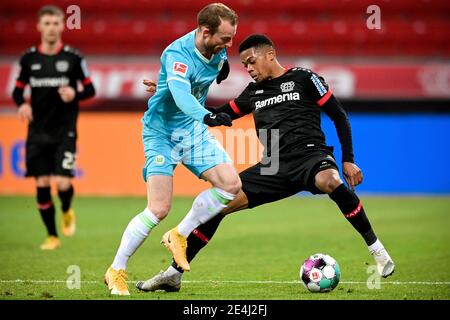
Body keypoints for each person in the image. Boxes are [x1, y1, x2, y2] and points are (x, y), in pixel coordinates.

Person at [136, 34, 395, 293]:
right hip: (273, 165)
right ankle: (173, 274)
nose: (248, 69)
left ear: (270, 54)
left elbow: (339, 116)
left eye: (251, 61)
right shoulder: (254, 92)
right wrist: (170, 92)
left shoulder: (304, 78)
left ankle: (378, 251)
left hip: (310, 155)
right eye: (244, 65)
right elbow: (221, 113)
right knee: (217, 206)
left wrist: (348, 159)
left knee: (330, 180)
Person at [104, 3, 241, 296]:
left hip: (191, 132)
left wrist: (162, 86)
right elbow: (181, 95)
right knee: (159, 208)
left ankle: (179, 234)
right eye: (226, 38)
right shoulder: (177, 54)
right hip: (162, 133)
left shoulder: (218, 51)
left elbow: (187, 85)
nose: (230, 45)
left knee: (231, 185)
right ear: (206, 32)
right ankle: (116, 269)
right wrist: (208, 115)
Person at [11, 5, 96, 250]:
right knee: (41, 184)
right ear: (39, 26)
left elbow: (90, 89)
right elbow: (17, 91)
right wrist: (22, 105)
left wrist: (74, 93)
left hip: (65, 130)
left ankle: (67, 209)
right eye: (46, 23)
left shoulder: (73, 58)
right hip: (37, 131)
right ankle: (52, 236)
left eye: (55, 23)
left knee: (62, 183)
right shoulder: (29, 59)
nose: (51, 28)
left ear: (62, 25)